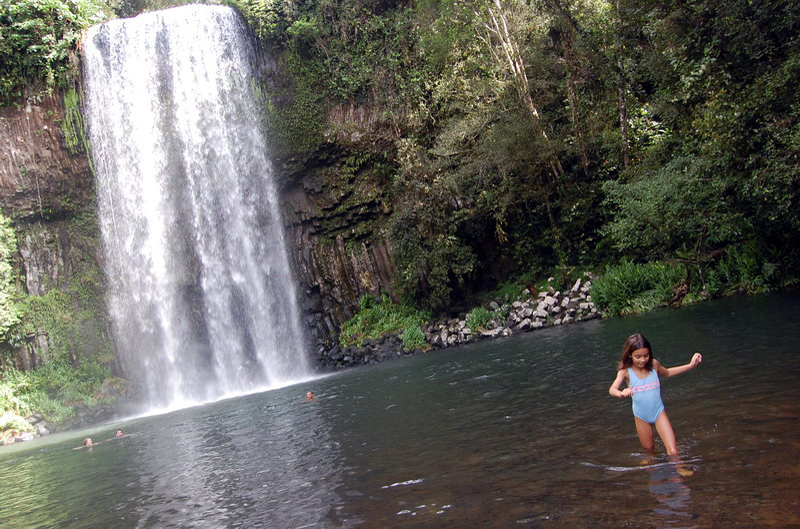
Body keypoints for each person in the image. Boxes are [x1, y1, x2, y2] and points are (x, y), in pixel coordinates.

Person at [609, 333, 702, 457]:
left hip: (659, 413)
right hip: (641, 416)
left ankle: (677, 472)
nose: (643, 360)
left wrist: (690, 366)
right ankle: (654, 471)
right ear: (630, 355)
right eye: (638, 356)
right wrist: (620, 393)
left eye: (646, 355)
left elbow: (668, 373)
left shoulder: (654, 365)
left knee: (673, 451)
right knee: (650, 451)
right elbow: (612, 389)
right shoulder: (625, 372)